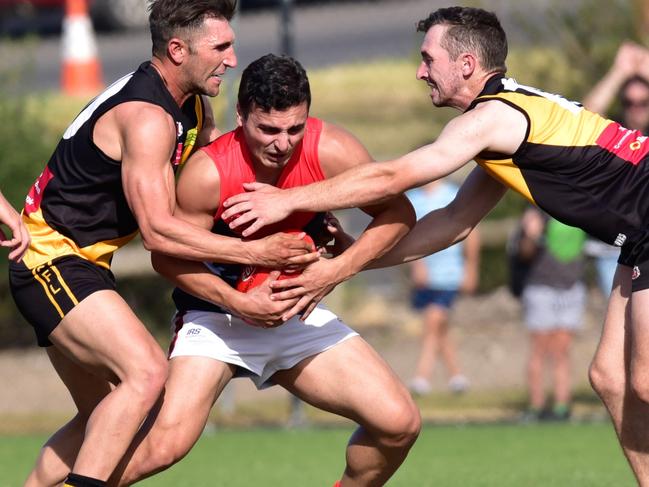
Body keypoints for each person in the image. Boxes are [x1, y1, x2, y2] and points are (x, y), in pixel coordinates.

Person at [220, 6, 649, 483]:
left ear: (465, 64)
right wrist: (354, 257)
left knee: (644, 379)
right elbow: (453, 223)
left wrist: (288, 200)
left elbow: (392, 175)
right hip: (639, 239)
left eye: (428, 58)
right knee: (611, 378)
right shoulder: (503, 125)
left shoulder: (491, 119)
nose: (420, 70)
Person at [9, 3, 318, 487]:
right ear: (178, 50)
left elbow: (221, 189)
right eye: (221, 47)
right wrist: (259, 254)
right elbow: (157, 231)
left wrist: (308, 215)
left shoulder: (192, 105)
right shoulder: (149, 118)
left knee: (99, 416)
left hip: (84, 264)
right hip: (51, 259)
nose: (232, 60)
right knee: (148, 374)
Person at [108, 54, 420, 487]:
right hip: (217, 318)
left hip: (296, 313)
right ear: (241, 116)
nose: (282, 143)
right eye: (268, 129)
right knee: (163, 446)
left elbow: (399, 213)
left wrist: (334, 272)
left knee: (399, 422)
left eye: (295, 128)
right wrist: (240, 300)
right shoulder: (208, 173)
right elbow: (166, 257)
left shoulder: (332, 149)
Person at [581, 41, 649, 295]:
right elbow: (584, 116)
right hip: (613, 248)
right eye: (630, 103)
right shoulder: (615, 136)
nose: (636, 109)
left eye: (643, 103)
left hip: (647, 242)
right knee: (623, 325)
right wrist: (619, 71)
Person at [406, 179, 479, 396]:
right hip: (426, 276)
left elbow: (471, 231)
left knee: (433, 321)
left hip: (449, 274)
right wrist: (416, 264)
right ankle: (457, 377)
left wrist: (471, 267)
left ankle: (421, 377)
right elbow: (407, 233)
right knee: (439, 327)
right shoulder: (413, 200)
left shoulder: (453, 194)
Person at [514, 207, 586, 421]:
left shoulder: (580, 208)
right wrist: (531, 235)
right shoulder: (537, 212)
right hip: (541, 287)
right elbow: (524, 254)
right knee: (540, 348)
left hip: (571, 287)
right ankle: (536, 405)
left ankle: (562, 405)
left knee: (562, 349)